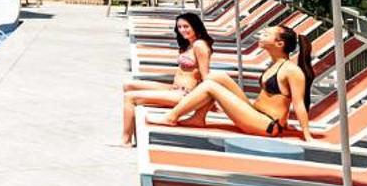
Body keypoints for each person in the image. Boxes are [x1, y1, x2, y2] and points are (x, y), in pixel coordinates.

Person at [158, 24, 313, 140]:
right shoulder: (275, 64)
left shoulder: (292, 71)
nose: (261, 35)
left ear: (279, 44)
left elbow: (298, 103)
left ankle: (171, 117)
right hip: (254, 112)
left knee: (210, 86)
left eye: (266, 34)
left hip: (267, 124)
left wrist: (306, 134)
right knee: (216, 77)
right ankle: (198, 118)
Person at [118, 12, 212, 144]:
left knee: (130, 97)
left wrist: (205, 105)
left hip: (185, 94)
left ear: (195, 26)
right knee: (128, 85)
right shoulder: (189, 44)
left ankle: (125, 141)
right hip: (174, 88)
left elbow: (206, 76)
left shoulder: (199, 45)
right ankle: (135, 137)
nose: (182, 30)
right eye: (179, 27)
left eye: (186, 26)